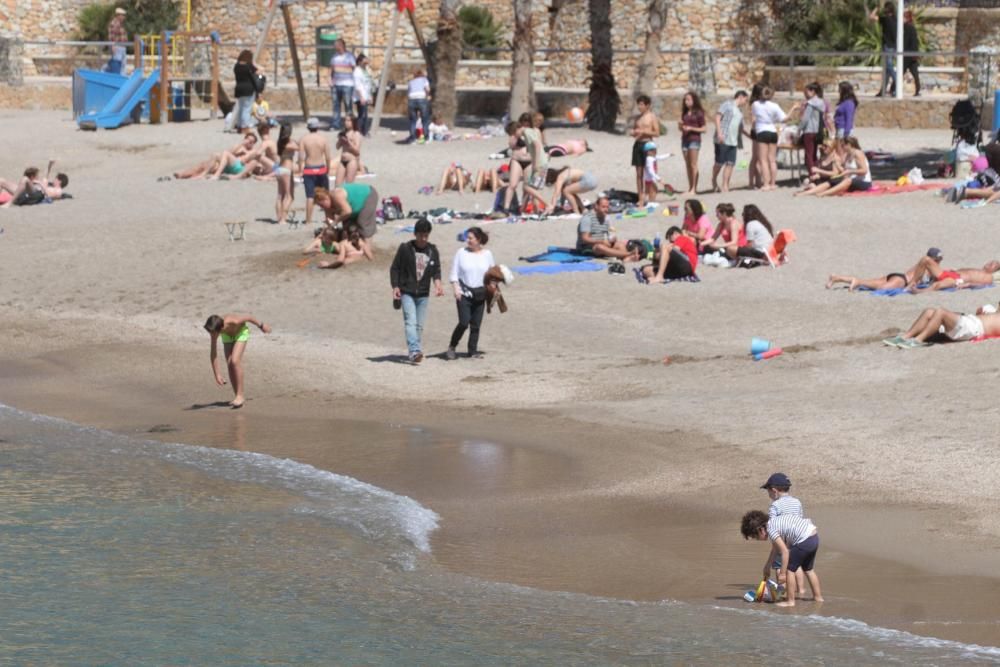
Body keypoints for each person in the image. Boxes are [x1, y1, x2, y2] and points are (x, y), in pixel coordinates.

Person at [741, 509, 823, 607]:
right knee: (809, 570)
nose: (757, 539)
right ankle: (818, 597)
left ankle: (790, 601)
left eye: (755, 536)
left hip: (803, 540)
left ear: (761, 529)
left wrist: (783, 574)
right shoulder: (773, 523)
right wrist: (768, 565)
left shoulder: (771, 530)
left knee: (790, 571)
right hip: (813, 537)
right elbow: (775, 548)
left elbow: (785, 552)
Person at [391, 218, 444, 363]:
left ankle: (415, 350)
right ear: (415, 234)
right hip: (406, 291)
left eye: (426, 235)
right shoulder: (405, 248)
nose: (423, 238)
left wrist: (438, 284)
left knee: (419, 326)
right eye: (420, 235)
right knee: (410, 322)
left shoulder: (433, 251)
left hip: (423, 293)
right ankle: (414, 350)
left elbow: (436, 270)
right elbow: (395, 268)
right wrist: (395, 286)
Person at [203, 313, 272, 409]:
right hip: (227, 336)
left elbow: (249, 317)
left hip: (240, 332)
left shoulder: (234, 321)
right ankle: (237, 397)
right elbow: (213, 353)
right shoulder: (215, 331)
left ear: (221, 328)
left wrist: (261, 326)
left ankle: (240, 395)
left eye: (213, 333)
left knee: (235, 361)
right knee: (230, 363)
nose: (211, 335)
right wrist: (217, 374)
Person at [447, 227, 495, 360]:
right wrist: (456, 288)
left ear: (478, 240)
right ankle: (452, 346)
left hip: (481, 293)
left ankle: (472, 351)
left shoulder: (487, 254)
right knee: (464, 322)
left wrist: (493, 287)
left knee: (476, 324)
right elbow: (454, 273)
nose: (467, 240)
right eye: (467, 238)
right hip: (464, 292)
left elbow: (492, 274)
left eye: (470, 238)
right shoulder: (461, 252)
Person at [760, 472, 807, 598]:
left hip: (782, 538)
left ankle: (782, 591)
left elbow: (772, 523)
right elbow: (800, 518)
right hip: (797, 537)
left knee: (780, 566)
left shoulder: (775, 505)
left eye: (768, 491)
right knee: (796, 565)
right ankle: (801, 590)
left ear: (774, 491)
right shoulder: (797, 502)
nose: (768, 495)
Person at [827, 247, 946, 291]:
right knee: (880, 289)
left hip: (897, 276)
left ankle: (837, 278)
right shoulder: (928, 268)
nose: (940, 262)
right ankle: (855, 282)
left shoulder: (921, 265)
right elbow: (938, 281)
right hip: (902, 281)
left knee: (868, 282)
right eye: (939, 259)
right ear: (934, 259)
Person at [885, 303, 1000, 348]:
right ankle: (905, 337)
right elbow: (979, 311)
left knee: (940, 312)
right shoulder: (992, 310)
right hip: (969, 321)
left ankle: (918, 340)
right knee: (929, 311)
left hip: (973, 328)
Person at [576, 195, 638, 260]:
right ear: (596, 206)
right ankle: (629, 254)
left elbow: (605, 235)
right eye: (603, 207)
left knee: (620, 245)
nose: (606, 209)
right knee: (600, 247)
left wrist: (611, 240)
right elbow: (585, 239)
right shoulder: (587, 218)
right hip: (586, 247)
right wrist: (601, 241)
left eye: (607, 207)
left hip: (602, 243)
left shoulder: (605, 218)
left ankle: (626, 258)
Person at [313, 183, 380, 240]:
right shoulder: (327, 207)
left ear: (326, 198)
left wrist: (336, 221)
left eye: (321, 205)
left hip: (367, 195)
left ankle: (367, 246)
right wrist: (325, 232)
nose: (321, 207)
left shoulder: (336, 195)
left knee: (363, 223)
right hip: (352, 207)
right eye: (319, 206)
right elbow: (331, 223)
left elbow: (347, 211)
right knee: (347, 228)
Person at [712, 90, 748, 193]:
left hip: (733, 141)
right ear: (740, 97)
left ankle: (725, 185)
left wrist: (751, 136)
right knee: (719, 163)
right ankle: (714, 179)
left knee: (730, 163)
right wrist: (719, 133)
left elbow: (741, 128)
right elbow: (718, 117)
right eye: (745, 99)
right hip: (723, 139)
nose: (746, 102)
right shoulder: (727, 104)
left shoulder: (740, 112)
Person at [750, 87, 786, 191]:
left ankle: (766, 184)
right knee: (772, 160)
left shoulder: (755, 104)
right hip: (773, 131)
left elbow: (753, 117)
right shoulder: (775, 106)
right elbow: (784, 118)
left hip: (762, 131)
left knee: (763, 160)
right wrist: (792, 109)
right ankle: (773, 183)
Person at [299, 117, 331, 225]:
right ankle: (328, 218)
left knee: (310, 196)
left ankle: (308, 220)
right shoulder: (323, 139)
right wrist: (328, 169)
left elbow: (301, 157)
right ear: (317, 127)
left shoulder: (304, 139)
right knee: (325, 195)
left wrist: (300, 170)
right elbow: (327, 157)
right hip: (321, 168)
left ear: (308, 127)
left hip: (309, 169)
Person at [630, 94, 661, 207]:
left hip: (648, 145)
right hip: (638, 145)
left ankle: (652, 197)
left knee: (650, 172)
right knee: (639, 173)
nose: (639, 106)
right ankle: (641, 197)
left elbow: (657, 133)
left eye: (642, 104)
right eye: (638, 104)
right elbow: (634, 131)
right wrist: (633, 133)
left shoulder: (652, 117)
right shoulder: (637, 118)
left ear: (647, 105)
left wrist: (644, 132)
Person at [791, 82, 827, 175]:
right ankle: (816, 173)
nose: (804, 94)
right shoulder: (821, 102)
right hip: (818, 131)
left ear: (813, 91)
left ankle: (812, 175)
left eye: (806, 92)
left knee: (809, 155)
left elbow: (805, 119)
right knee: (814, 154)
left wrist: (799, 129)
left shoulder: (810, 104)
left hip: (809, 131)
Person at [909, 256, 1000, 293]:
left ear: (994, 270)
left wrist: (968, 284)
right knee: (926, 259)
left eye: (993, 265)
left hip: (957, 280)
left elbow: (983, 284)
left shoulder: (988, 276)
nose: (990, 263)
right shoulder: (977, 270)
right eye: (991, 261)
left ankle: (920, 291)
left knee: (938, 285)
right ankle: (912, 283)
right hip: (950, 274)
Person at [0, 161, 69, 208]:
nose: (54, 180)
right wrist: (49, 166)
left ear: (59, 181)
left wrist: (40, 184)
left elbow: (47, 195)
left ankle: (9, 203)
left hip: (37, 193)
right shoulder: (50, 185)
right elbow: (45, 178)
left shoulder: (58, 190)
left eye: (55, 178)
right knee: (1, 180)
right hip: (31, 190)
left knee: (25, 179)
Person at [678, 91, 707, 195]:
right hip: (685, 139)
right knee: (688, 165)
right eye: (685, 99)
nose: (686, 102)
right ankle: (690, 187)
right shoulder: (685, 113)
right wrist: (680, 125)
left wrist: (691, 128)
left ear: (694, 100)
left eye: (688, 99)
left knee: (693, 164)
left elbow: (704, 129)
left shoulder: (699, 113)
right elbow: (680, 129)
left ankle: (694, 189)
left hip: (694, 139)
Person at [869, 1, 898, 97]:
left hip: (888, 46)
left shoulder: (885, 19)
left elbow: (872, 17)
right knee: (886, 70)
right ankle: (883, 91)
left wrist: (877, 8)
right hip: (894, 46)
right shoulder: (895, 19)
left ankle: (897, 82)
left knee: (889, 67)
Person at [329, 39, 356, 131]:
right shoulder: (334, 57)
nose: (334, 47)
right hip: (336, 84)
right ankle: (336, 124)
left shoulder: (350, 57)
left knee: (348, 105)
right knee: (335, 105)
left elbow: (354, 69)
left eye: (336, 45)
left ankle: (349, 125)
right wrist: (330, 80)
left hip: (348, 85)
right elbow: (331, 69)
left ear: (341, 45)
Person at [275, 123, 297, 224]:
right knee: (289, 196)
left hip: (279, 169)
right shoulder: (289, 145)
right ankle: (283, 219)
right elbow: (301, 147)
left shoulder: (279, 143)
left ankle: (279, 217)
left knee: (280, 195)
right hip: (286, 170)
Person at [233, 50, 258, 134]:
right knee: (247, 109)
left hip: (239, 88)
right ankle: (245, 127)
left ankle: (239, 126)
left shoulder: (236, 66)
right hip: (248, 89)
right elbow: (258, 71)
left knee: (241, 108)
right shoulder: (249, 66)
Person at [335, 115, 362, 185]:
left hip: (352, 161)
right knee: (337, 185)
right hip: (342, 161)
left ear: (353, 122)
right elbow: (337, 147)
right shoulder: (344, 133)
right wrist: (340, 140)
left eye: (348, 120)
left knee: (349, 185)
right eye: (345, 120)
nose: (346, 122)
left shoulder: (356, 134)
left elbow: (357, 152)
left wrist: (348, 143)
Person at [407, 69, 432, 143]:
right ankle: (426, 138)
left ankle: (412, 138)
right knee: (425, 119)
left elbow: (408, 92)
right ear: (422, 75)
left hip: (411, 99)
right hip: (421, 98)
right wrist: (428, 96)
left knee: (412, 120)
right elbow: (427, 90)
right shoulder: (424, 80)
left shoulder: (411, 82)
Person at [353, 53, 374, 136]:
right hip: (360, 96)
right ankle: (360, 131)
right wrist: (361, 97)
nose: (366, 63)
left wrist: (370, 95)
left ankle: (364, 131)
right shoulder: (357, 71)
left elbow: (369, 83)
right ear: (359, 62)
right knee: (362, 114)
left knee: (365, 114)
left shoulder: (366, 70)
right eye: (364, 61)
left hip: (366, 95)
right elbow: (357, 85)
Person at [903, 10, 921, 96]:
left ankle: (893, 88)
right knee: (914, 73)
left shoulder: (908, 28)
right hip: (910, 54)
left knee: (902, 72)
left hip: (908, 55)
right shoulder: (908, 27)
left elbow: (913, 42)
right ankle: (918, 90)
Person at [105, 7, 127, 75]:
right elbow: (112, 35)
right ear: (118, 15)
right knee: (117, 65)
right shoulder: (114, 23)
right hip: (117, 47)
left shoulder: (120, 24)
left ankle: (121, 80)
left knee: (122, 66)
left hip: (122, 47)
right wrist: (112, 46)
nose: (124, 17)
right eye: (122, 15)